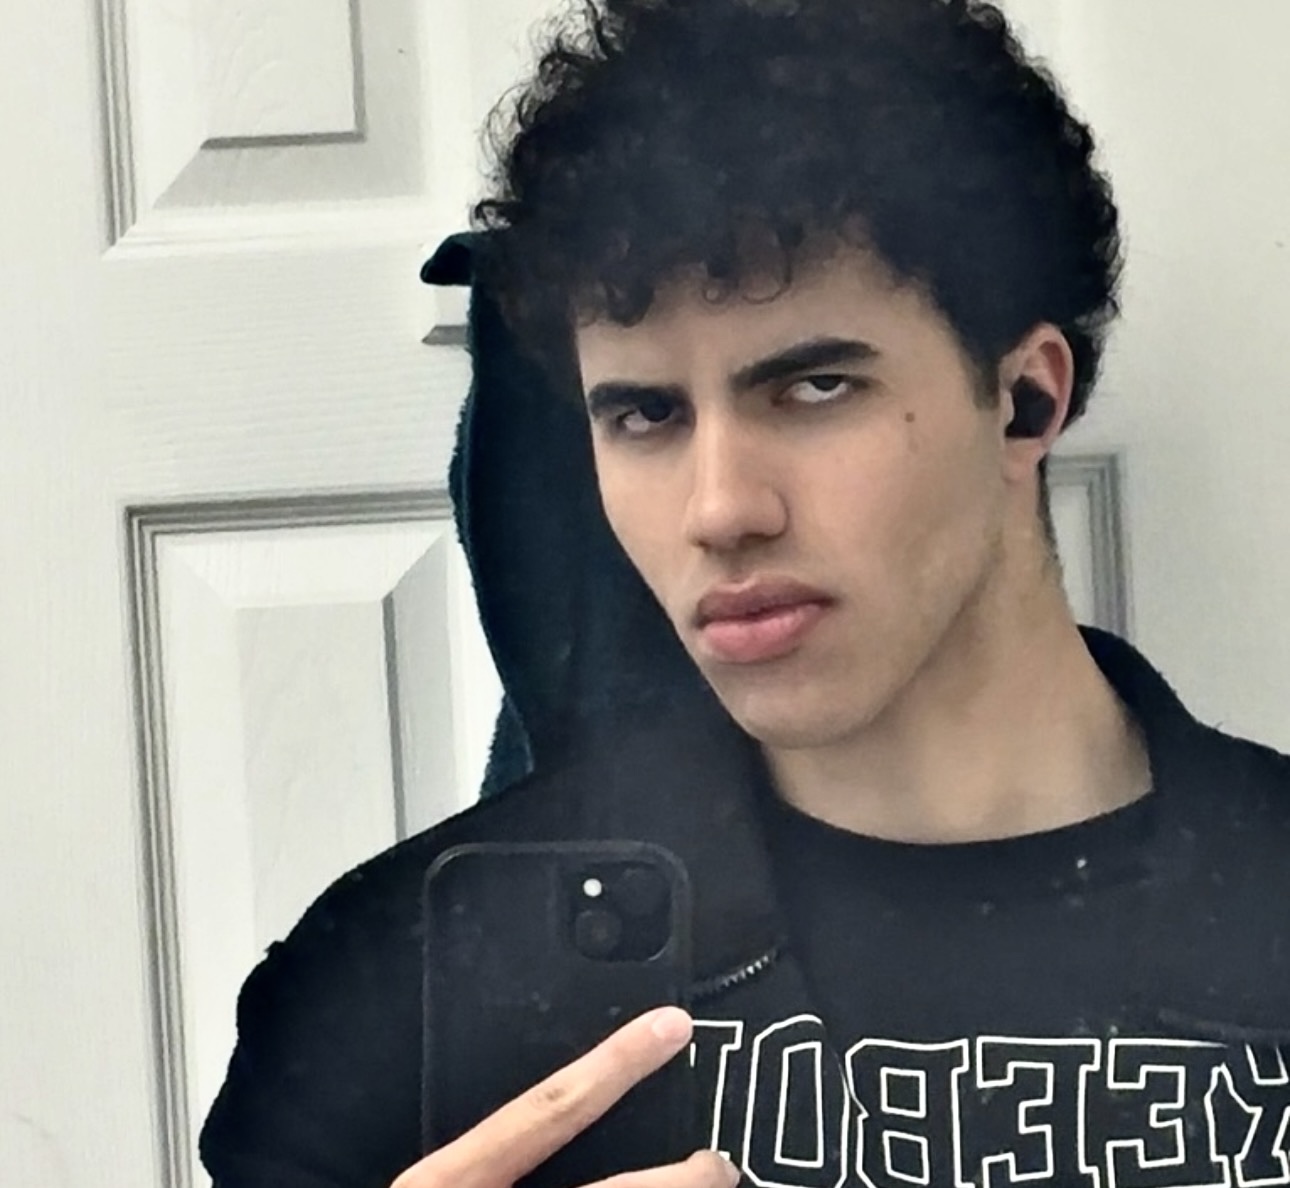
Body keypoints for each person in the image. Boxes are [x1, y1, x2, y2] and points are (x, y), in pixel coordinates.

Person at [199, 1, 1290, 1185]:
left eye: (814, 389)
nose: (719, 509)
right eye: (644, 415)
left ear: (1025, 400)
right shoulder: (394, 988)